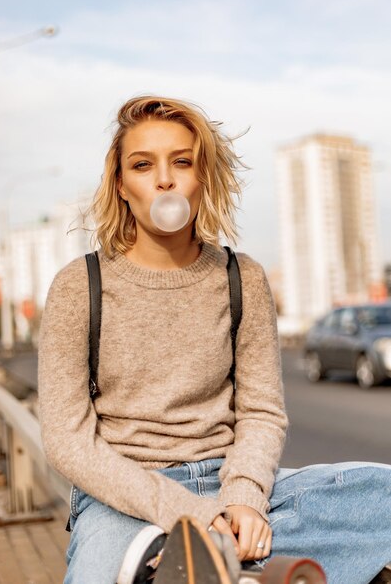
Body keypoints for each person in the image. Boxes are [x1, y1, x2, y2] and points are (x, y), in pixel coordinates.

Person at [38, 95, 391, 584]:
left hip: (232, 484)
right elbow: (67, 440)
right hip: (125, 497)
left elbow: (262, 411)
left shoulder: (241, 277)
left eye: (181, 161)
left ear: (202, 177)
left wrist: (243, 499)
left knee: (383, 495)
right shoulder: (79, 285)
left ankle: (216, 557)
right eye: (143, 165)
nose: (165, 179)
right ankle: (219, 557)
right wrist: (187, 515)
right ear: (121, 185)